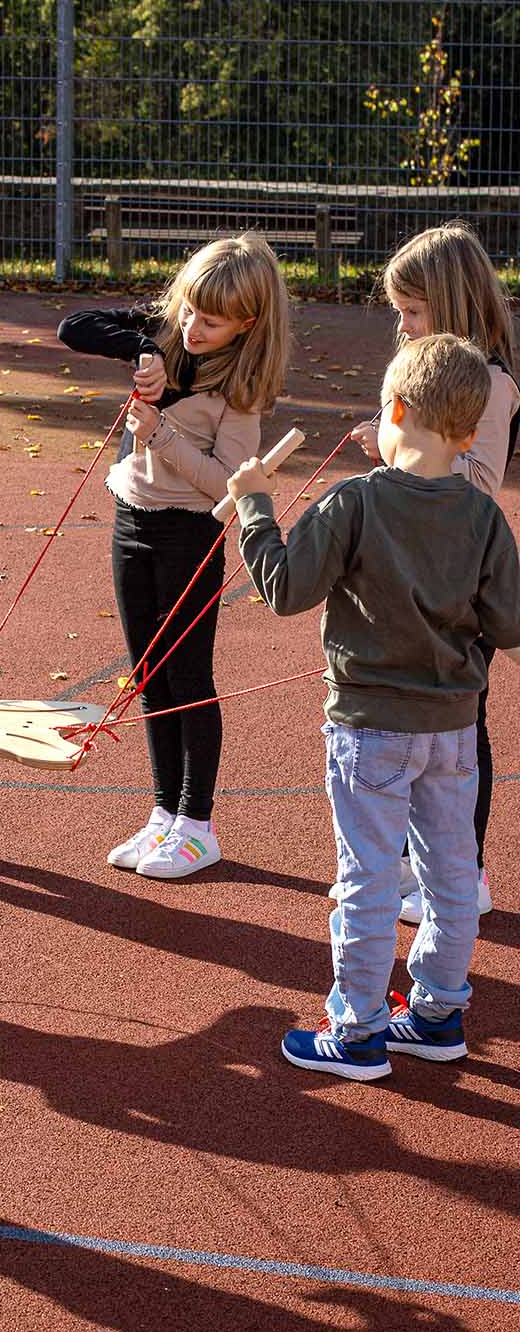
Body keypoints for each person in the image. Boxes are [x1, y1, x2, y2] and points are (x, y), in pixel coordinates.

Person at [229, 333, 520, 1080]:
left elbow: (285, 589)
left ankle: (357, 1027)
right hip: (454, 729)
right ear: (469, 434)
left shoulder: (355, 501)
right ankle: (438, 1014)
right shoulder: (483, 515)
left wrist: (254, 506)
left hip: (371, 729)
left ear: (394, 410)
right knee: (451, 878)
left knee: (368, 879)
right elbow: (510, 624)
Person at [58, 234, 291, 878]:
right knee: (147, 676)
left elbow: (227, 485)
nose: (192, 327)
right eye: (188, 310)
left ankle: (197, 824)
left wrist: (159, 432)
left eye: (211, 321)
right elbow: (74, 326)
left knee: (187, 680)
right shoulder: (166, 333)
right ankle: (163, 812)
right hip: (130, 523)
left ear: (247, 323)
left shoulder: (241, 388)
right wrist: (145, 351)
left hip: (188, 535)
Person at [348, 222, 517, 922]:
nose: (403, 325)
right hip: (417, 569)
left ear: (449, 303)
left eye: (413, 311)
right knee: (416, 722)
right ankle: (414, 863)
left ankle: (464, 872)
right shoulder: (430, 374)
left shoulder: (491, 384)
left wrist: (395, 452)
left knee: (459, 726)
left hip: (458, 578)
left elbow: (476, 482)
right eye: (399, 311)